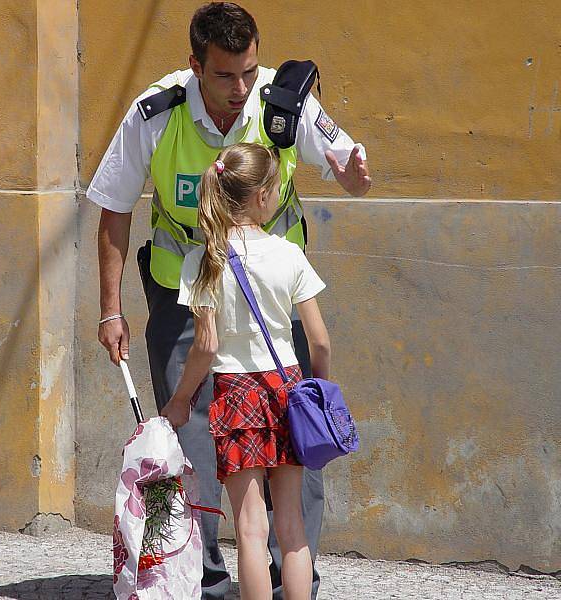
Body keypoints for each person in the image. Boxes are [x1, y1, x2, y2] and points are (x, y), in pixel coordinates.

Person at [89, 3, 370, 598]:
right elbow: (113, 206)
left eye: (249, 71)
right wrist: (110, 308)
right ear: (195, 66)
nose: (241, 89)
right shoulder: (156, 112)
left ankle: (292, 580)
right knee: (181, 441)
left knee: (298, 445)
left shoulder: (282, 103)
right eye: (224, 76)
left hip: (275, 308)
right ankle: (195, 582)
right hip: (181, 299)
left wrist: (351, 171)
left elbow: (341, 155)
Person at [160, 142, 330, 600]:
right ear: (260, 197)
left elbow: (206, 346)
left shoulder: (202, 259)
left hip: (235, 392)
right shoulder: (289, 254)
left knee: (250, 528)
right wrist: (319, 388)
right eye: (275, 188)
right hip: (289, 387)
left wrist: (180, 401)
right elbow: (320, 341)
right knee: (291, 527)